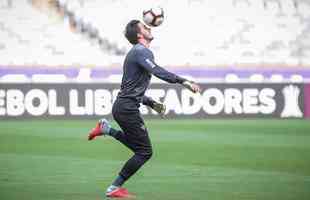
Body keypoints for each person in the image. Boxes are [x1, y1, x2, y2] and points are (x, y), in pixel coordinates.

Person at [87, 20, 201, 198]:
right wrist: (184, 81)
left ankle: (106, 129)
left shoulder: (137, 53)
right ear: (139, 35)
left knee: (139, 148)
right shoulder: (141, 52)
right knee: (144, 152)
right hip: (127, 109)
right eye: (145, 27)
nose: (149, 27)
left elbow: (132, 88)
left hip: (124, 107)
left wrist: (150, 103)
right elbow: (158, 71)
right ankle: (114, 187)